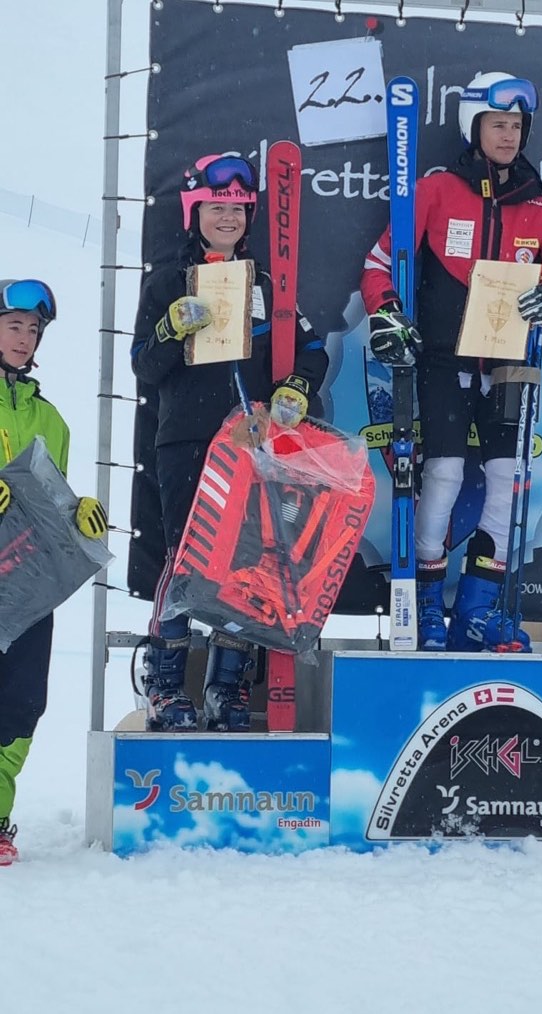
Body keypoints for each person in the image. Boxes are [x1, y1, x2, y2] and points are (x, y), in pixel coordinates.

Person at [360, 72, 542, 652]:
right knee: (445, 476)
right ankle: (429, 607)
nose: (508, 136)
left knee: (511, 485)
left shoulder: (541, 210)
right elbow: (380, 264)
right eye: (498, 124)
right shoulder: (438, 190)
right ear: (474, 126)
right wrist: (386, 315)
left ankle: (478, 612)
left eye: (517, 126)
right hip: (440, 361)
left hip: (509, 366)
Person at [131, 153, 328, 732]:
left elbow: (312, 348)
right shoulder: (167, 282)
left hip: (250, 444)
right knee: (185, 558)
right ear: (195, 212)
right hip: (187, 441)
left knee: (246, 565)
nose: (228, 218)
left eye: (239, 209)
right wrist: (171, 328)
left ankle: (227, 687)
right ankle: (167, 686)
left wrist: (295, 387)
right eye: (217, 207)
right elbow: (145, 366)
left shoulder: (265, 283)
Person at [0, 279, 108, 866]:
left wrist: (79, 517)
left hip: (26, 588)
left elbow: (49, 501)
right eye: (14, 325)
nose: (25, 337)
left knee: (19, 706)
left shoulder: (51, 419)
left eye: (33, 329)